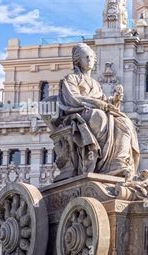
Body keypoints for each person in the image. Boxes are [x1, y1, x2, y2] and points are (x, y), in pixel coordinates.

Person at [58, 43, 140, 179]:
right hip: (78, 114)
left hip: (96, 113)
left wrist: (114, 100)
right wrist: (97, 103)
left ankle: (117, 162)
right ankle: (101, 164)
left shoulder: (95, 84)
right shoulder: (71, 79)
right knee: (99, 117)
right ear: (78, 60)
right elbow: (73, 99)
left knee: (124, 122)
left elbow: (104, 101)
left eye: (91, 57)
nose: (90, 60)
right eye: (86, 57)